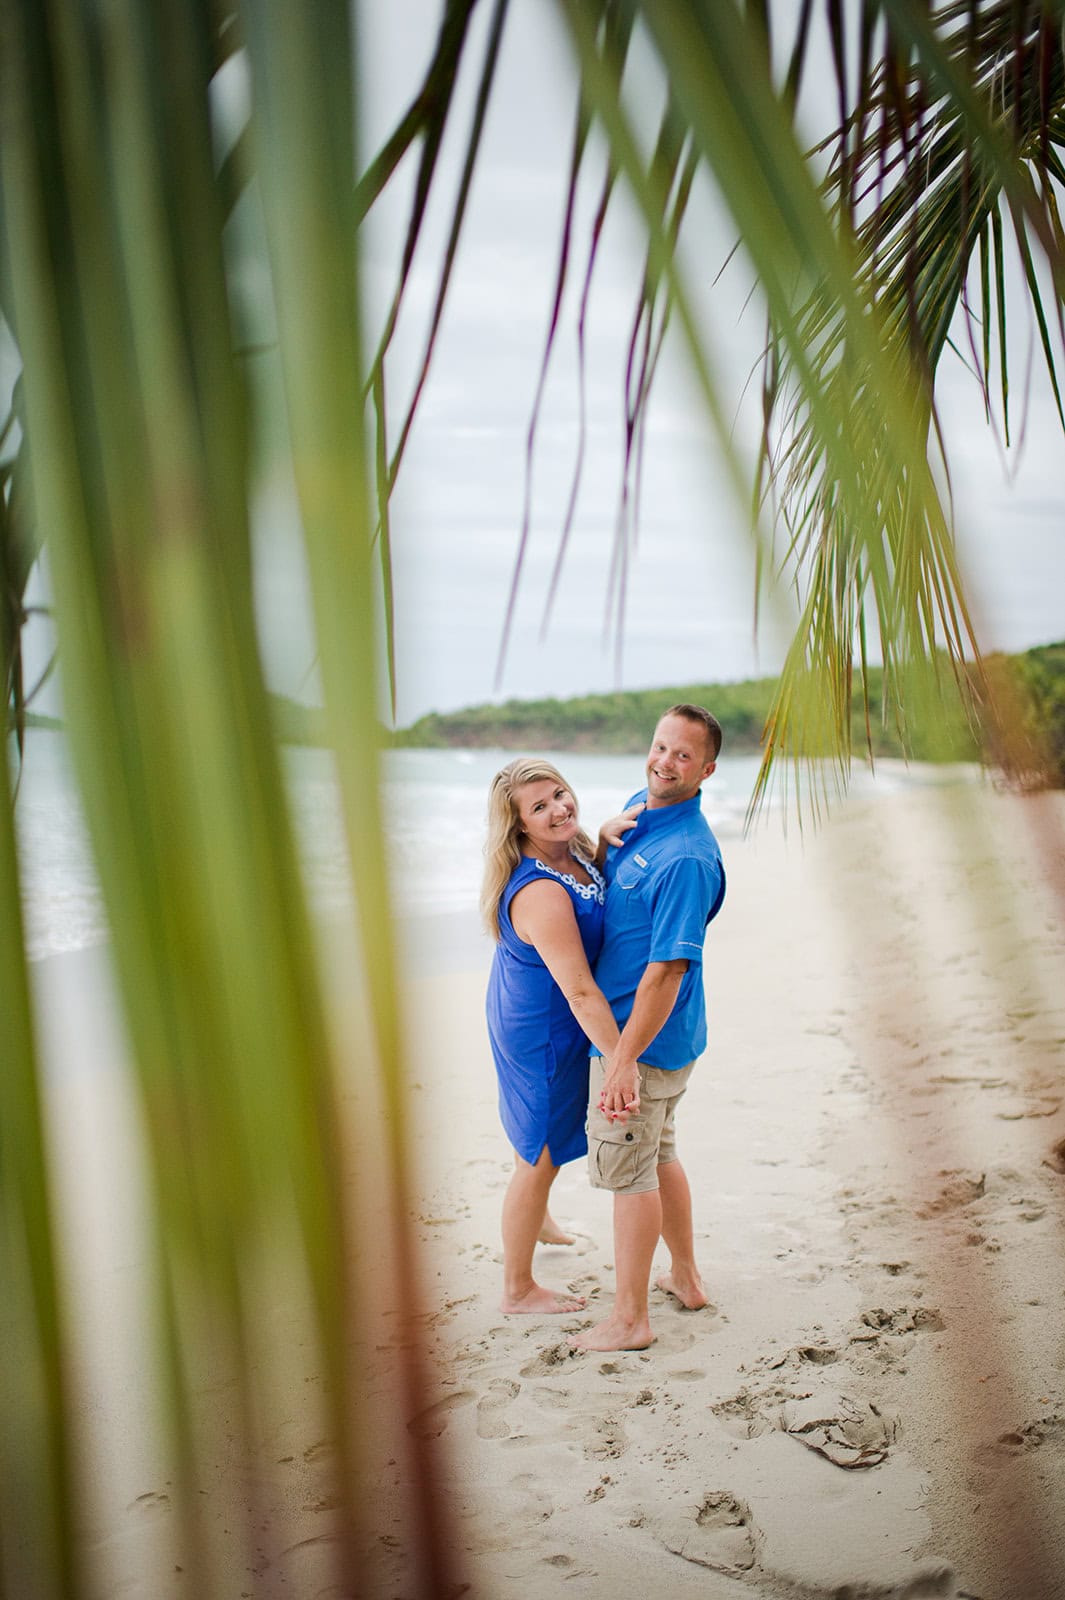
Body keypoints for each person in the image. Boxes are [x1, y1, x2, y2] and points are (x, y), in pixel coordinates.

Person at [571, 704, 727, 1353]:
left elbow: (666, 973)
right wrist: (603, 839)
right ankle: (685, 1278)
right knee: (658, 1153)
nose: (664, 763)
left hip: (646, 1042)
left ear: (706, 770)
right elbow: (619, 890)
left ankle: (630, 1319)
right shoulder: (643, 807)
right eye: (661, 747)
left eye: (682, 755)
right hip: (648, 1042)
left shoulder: (688, 857)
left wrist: (621, 1060)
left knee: (630, 1171)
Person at [483, 758, 633, 1315]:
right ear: (518, 825)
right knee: (541, 1148)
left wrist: (599, 844)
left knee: (539, 1129)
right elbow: (578, 990)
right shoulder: (538, 892)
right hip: (544, 1022)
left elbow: (590, 889)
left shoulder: (571, 854)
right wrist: (621, 1058)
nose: (558, 808)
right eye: (539, 807)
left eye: (560, 794)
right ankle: (518, 1289)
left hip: (539, 1005)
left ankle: (539, 1220)